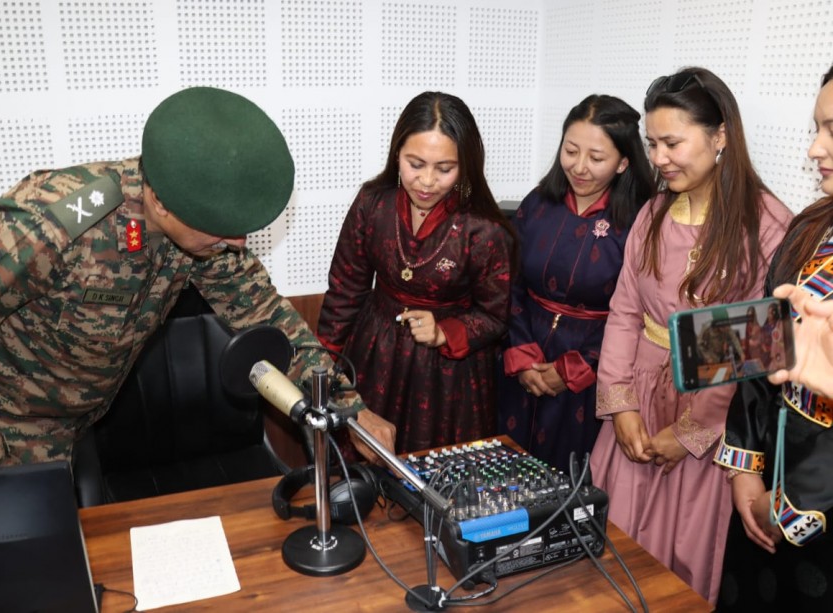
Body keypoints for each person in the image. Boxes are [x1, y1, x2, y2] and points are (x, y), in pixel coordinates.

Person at [0, 86, 395, 470]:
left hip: (80, 427)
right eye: (224, 231)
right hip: (2, 429)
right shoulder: (51, 222)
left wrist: (349, 408)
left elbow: (267, 318)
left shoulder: (204, 233)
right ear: (160, 202)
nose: (239, 244)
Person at [588, 67, 793, 604]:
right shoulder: (654, 213)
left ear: (720, 136)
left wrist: (689, 433)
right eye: (653, 144)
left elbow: (753, 350)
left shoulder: (768, 226)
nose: (659, 158)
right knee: (609, 551)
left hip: (709, 420)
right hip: (637, 400)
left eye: (672, 142)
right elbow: (625, 312)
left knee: (675, 567)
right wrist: (621, 404)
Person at [316, 91, 515, 456]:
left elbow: (496, 316)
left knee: (435, 477)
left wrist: (445, 332)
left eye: (444, 169)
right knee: (365, 463)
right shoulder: (373, 203)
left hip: (448, 374)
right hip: (376, 351)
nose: (426, 181)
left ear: (466, 166)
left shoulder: (484, 229)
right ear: (397, 155)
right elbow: (346, 288)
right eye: (415, 163)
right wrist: (322, 370)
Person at [716, 63, 833, 611]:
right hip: (765, 490)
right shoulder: (810, 229)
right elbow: (760, 356)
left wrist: (792, 509)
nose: (815, 149)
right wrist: (746, 474)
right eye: (818, 128)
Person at [498, 94, 654, 471]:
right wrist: (521, 352)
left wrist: (575, 368)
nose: (579, 167)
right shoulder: (538, 203)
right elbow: (508, 281)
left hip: (590, 373)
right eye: (571, 151)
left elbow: (635, 311)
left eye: (597, 158)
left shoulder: (640, 222)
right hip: (523, 355)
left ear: (623, 163)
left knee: (569, 480)